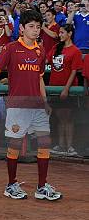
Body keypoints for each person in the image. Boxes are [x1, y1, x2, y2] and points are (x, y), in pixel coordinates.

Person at [0, 10, 62, 201]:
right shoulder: (11, 48)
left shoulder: (41, 50)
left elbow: (40, 80)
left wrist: (45, 101)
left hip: (37, 106)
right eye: (31, 26)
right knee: (14, 145)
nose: (36, 30)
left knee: (44, 145)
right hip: (17, 106)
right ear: (21, 28)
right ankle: (11, 184)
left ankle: (41, 186)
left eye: (38, 27)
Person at [47, 25, 83, 156]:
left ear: (70, 33)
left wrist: (66, 89)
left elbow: (74, 71)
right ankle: (61, 145)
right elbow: (47, 59)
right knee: (59, 117)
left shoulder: (75, 51)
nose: (60, 35)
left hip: (67, 88)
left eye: (62, 32)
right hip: (54, 87)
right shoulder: (56, 48)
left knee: (67, 117)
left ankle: (69, 146)